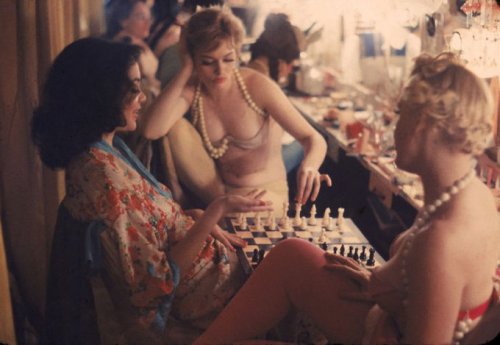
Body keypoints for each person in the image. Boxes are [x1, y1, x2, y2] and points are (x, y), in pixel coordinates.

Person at [194, 52, 500, 344]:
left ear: (421, 126)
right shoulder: (471, 193)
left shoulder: (440, 241)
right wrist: (387, 296)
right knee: (292, 253)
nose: (394, 127)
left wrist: (393, 321)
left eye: (400, 114)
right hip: (381, 311)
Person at [31, 37, 272, 344]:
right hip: (205, 303)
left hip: (214, 278)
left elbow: (148, 227)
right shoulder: (104, 176)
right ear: (100, 94)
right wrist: (215, 212)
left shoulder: (108, 150)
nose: (142, 98)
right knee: (295, 261)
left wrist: (195, 217)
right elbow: (156, 283)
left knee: (295, 260)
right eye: (132, 88)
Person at [143, 7, 331, 210]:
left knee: (243, 231)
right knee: (175, 126)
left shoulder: (257, 86)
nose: (220, 70)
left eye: (228, 59)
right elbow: (151, 130)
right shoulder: (194, 90)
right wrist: (186, 69)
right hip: (220, 196)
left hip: (265, 193)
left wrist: (309, 166)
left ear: (238, 53)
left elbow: (314, 138)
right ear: (194, 58)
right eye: (207, 62)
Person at [247, 12, 304, 173]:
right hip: (257, 167)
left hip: (248, 157)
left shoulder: (246, 70)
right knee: (305, 143)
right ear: (280, 62)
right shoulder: (265, 85)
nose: (289, 71)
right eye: (290, 65)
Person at [105, 0, 161, 96]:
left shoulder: (139, 42)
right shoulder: (124, 46)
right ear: (123, 20)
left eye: (149, 17)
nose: (148, 22)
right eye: (141, 17)